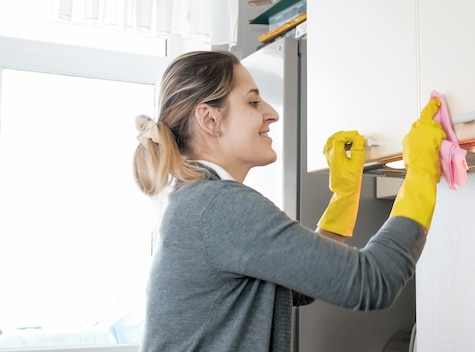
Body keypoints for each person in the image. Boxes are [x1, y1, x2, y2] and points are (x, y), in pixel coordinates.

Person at [133, 50, 446, 352]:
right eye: (253, 101)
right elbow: (373, 282)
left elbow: (301, 283)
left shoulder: (196, 200)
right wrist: (420, 175)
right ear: (210, 119)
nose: (272, 113)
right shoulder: (218, 205)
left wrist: (344, 198)